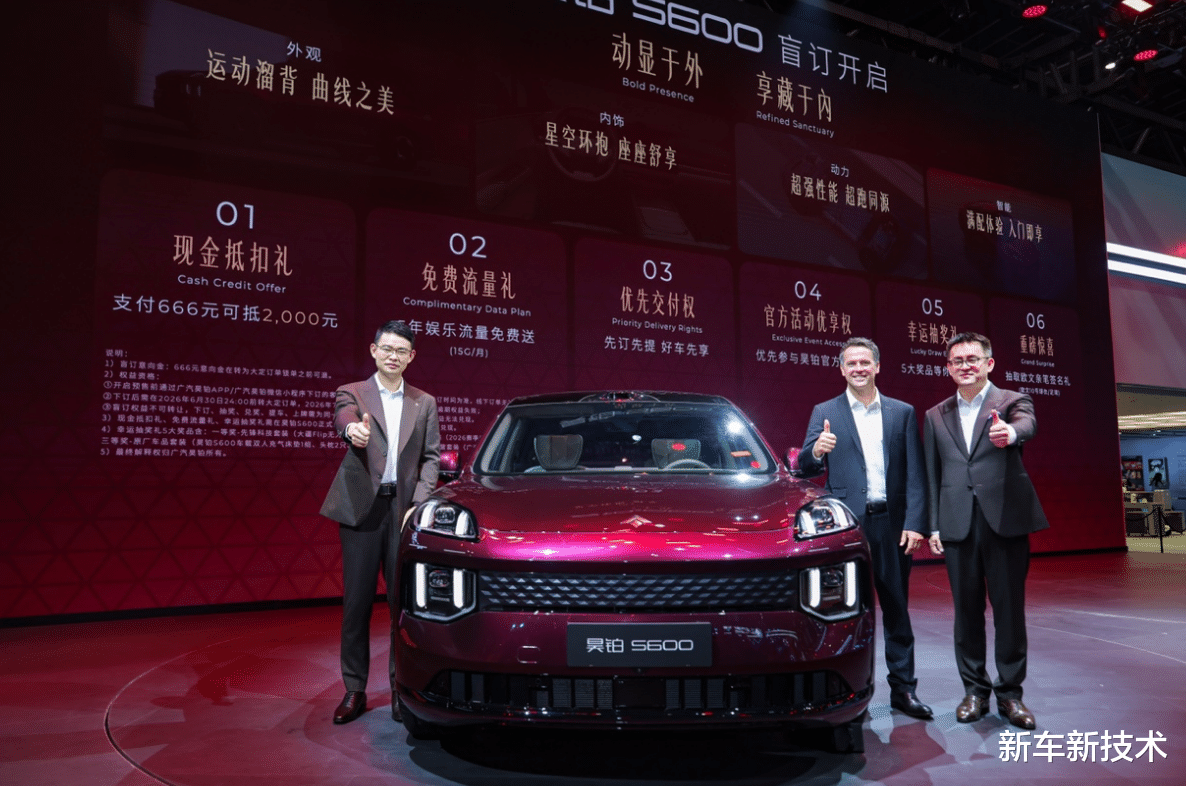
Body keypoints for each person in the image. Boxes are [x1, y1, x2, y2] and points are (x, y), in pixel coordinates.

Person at [800, 337, 933, 720]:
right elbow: (805, 466)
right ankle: (848, 693)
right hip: (847, 528)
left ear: (877, 366)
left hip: (891, 524)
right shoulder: (825, 411)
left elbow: (915, 473)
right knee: (845, 611)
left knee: (896, 608)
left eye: (865, 362)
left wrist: (916, 523)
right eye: (851, 363)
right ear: (842, 369)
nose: (858, 368)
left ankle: (903, 690)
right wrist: (817, 450)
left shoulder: (901, 412)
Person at [923, 332, 1048, 730]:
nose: (965, 365)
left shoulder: (1010, 402)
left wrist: (1010, 434)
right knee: (966, 613)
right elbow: (932, 474)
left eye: (972, 359)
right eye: (957, 360)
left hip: (1004, 520)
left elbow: (1027, 424)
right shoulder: (935, 415)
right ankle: (974, 691)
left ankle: (1010, 694)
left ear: (988, 364)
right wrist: (933, 525)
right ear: (948, 367)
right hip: (957, 522)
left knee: (1009, 611)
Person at [320, 320, 440, 724]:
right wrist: (352, 430)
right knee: (356, 604)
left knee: (400, 607)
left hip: (402, 511)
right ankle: (354, 689)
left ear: (411, 357)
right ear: (374, 350)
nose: (393, 356)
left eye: (401, 350)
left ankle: (400, 689)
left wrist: (417, 505)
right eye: (386, 348)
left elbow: (431, 458)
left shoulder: (424, 402)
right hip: (362, 510)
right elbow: (345, 417)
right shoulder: (353, 392)